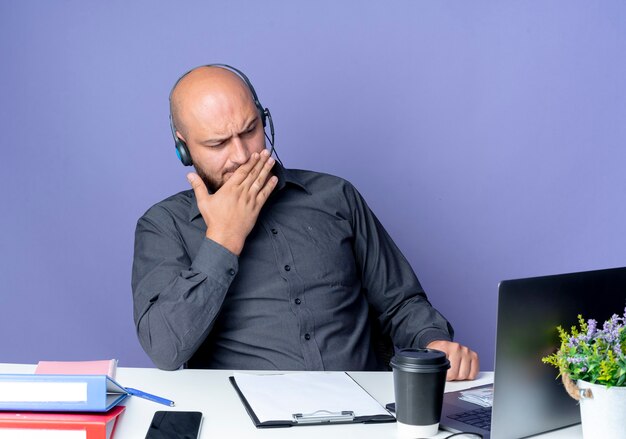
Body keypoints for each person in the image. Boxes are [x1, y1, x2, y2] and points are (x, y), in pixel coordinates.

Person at [132, 64, 479, 380]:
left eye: (250, 130)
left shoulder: (336, 196)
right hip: (239, 421)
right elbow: (164, 349)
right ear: (184, 149)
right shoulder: (163, 226)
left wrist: (434, 342)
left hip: (366, 414)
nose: (241, 155)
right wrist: (224, 238)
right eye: (218, 143)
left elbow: (400, 302)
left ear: (264, 119)